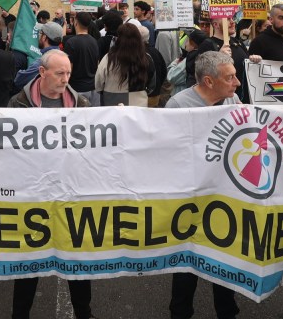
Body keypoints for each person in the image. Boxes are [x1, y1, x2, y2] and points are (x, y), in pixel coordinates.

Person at [7, 50, 94, 318]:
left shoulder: (81, 103)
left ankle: (83, 312)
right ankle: (20, 313)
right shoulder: (18, 104)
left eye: (68, 73)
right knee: (29, 261)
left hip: (70, 194)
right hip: (33, 195)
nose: (66, 79)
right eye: (60, 73)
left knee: (77, 259)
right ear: (42, 73)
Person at [164, 51, 240, 319]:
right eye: (230, 77)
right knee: (188, 261)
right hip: (190, 201)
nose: (237, 83)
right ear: (209, 81)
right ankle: (180, 311)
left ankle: (227, 310)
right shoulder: (178, 106)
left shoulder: (233, 100)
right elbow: (167, 154)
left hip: (225, 198)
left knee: (224, 258)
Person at [94, 22, 155, 107]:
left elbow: (98, 82)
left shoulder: (108, 58)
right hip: (139, 104)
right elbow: (152, 84)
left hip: (112, 102)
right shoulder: (146, 58)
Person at [61, 11, 100, 106]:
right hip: (93, 88)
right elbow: (97, 64)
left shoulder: (71, 43)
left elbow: (68, 68)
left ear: (76, 23)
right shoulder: (94, 41)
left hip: (77, 90)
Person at [14, 21, 64, 90]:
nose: (39, 36)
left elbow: (18, 81)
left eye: (40, 33)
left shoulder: (41, 63)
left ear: (44, 37)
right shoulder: (63, 58)